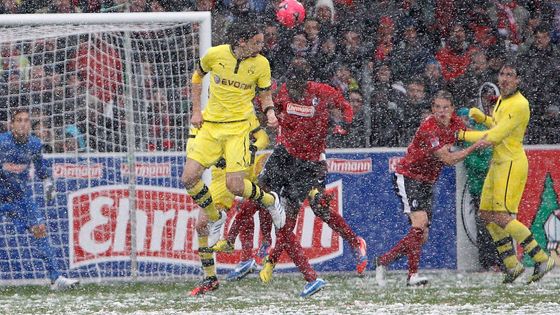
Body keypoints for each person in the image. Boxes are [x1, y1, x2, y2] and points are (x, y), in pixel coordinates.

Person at [213, 57, 366, 297]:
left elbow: (345, 107)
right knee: (256, 196)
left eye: (298, 86)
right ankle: (236, 241)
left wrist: (344, 124)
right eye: (290, 85)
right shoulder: (282, 93)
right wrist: (269, 117)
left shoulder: (321, 92)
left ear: (306, 84)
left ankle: (342, 248)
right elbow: (265, 108)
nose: (293, 91)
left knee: (300, 215)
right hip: (285, 155)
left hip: (309, 164)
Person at [181, 21, 286, 263]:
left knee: (236, 185)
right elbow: (197, 76)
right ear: (242, 41)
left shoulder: (261, 64)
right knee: (188, 178)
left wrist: (269, 112)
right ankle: (214, 216)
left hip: (238, 128)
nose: (262, 45)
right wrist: (196, 111)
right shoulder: (215, 55)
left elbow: (265, 94)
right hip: (210, 126)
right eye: (257, 41)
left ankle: (271, 201)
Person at [375, 90, 490, 287]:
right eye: (437, 107)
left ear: (452, 109)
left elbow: (470, 133)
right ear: (432, 109)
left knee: (422, 236)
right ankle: (412, 276)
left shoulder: (455, 123)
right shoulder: (430, 127)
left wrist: (490, 129)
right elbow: (448, 159)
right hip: (409, 176)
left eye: (445, 107)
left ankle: (384, 261)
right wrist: (474, 147)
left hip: (427, 180)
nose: (441, 111)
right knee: (419, 224)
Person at [457, 62, 555, 283]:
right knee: (486, 214)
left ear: (518, 80)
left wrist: (460, 134)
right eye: (502, 74)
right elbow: (497, 124)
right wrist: (483, 119)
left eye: (510, 75)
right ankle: (511, 265)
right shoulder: (503, 99)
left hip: (511, 164)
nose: (505, 78)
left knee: (501, 216)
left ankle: (541, 258)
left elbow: (494, 136)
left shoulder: (520, 104)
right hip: (498, 163)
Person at [188, 114, 270, 296]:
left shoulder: (242, 112)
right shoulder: (203, 117)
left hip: (244, 168)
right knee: (201, 225)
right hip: (220, 176)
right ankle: (210, 278)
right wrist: (214, 157)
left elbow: (263, 137)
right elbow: (193, 146)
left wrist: (252, 148)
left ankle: (264, 251)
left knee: (265, 205)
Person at [0, 107, 79, 290]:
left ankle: (56, 279)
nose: (22, 123)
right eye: (19, 120)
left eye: (26, 120)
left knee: (40, 230)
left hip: (21, 198)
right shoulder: (2, 143)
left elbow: (42, 170)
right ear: (12, 125)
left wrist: (48, 184)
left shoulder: (34, 144)